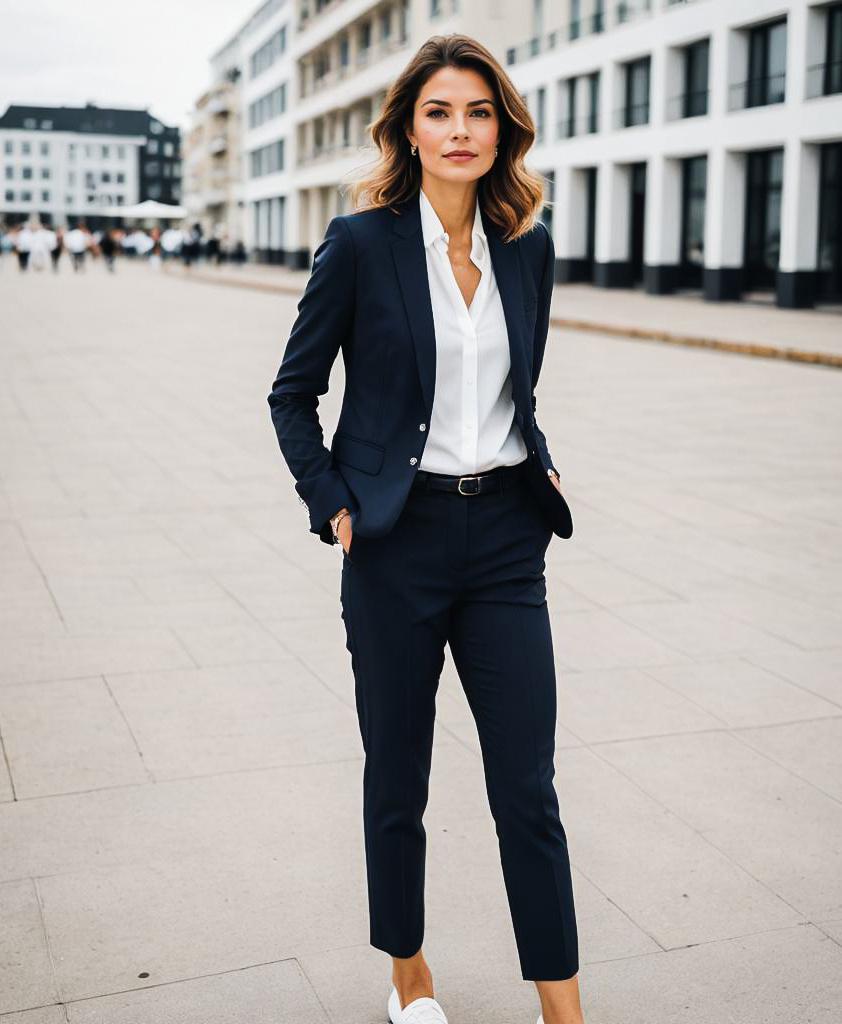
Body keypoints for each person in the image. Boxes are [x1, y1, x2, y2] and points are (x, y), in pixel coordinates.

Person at [267, 33, 580, 1024]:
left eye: (479, 112)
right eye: (439, 111)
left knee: (526, 786)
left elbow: (510, 382)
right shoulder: (361, 242)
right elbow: (292, 393)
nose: (460, 130)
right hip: (396, 547)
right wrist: (334, 502)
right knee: (397, 774)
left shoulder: (526, 246)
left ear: (504, 128)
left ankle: (564, 1008)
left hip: (503, 546)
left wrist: (535, 448)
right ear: (408, 126)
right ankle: (409, 977)